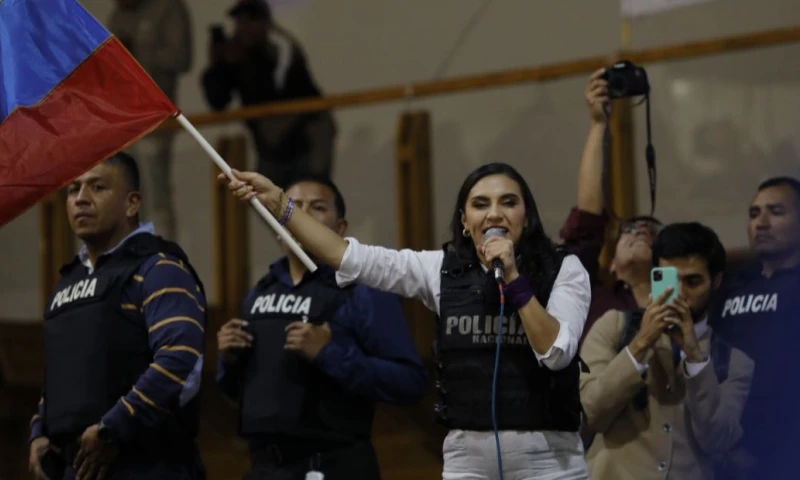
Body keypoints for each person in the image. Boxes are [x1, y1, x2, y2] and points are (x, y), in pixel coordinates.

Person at [220, 162, 592, 479]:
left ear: (526, 217)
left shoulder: (563, 269)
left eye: (508, 202)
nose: (494, 213)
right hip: (468, 459)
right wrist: (279, 203)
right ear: (465, 221)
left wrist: (513, 280)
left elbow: (556, 353)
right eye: (480, 204)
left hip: (549, 459)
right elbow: (349, 257)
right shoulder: (439, 270)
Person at [215, 174, 428, 480]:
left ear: (340, 228)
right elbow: (241, 390)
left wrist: (330, 354)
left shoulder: (363, 290)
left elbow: (411, 383)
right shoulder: (260, 291)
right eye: (291, 206)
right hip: (263, 466)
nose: (300, 215)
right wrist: (228, 358)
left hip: (332, 465)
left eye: (316, 207)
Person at [28, 153, 206, 479]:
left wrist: (113, 427)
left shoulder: (159, 268)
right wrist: (40, 430)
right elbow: (61, 372)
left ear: (132, 203)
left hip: (148, 465)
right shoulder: (67, 282)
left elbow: (180, 360)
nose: (81, 199)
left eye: (98, 187)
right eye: (73, 189)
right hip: (75, 468)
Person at [580, 222, 754, 480]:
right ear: (654, 276)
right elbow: (590, 413)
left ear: (715, 281)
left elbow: (718, 440)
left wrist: (696, 358)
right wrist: (641, 343)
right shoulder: (614, 325)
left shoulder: (735, 361)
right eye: (668, 279)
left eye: (693, 281)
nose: (679, 293)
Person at [560, 69, 662, 345]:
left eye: (650, 230)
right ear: (612, 263)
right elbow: (588, 220)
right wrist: (597, 124)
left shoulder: (682, 296)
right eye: (628, 229)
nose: (639, 230)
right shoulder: (593, 296)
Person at [710, 176, 800, 479]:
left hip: (787, 452)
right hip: (727, 450)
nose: (761, 223)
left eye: (776, 212)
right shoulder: (729, 287)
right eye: (753, 214)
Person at [202, 0, 337, 188]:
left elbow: (280, 91)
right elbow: (218, 101)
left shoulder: (281, 45)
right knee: (270, 207)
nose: (245, 27)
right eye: (240, 21)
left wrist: (244, 62)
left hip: (307, 133)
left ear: (265, 22)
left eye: (251, 20)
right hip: (271, 145)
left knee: (309, 198)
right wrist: (218, 65)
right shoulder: (239, 51)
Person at [109, 0, 193, 240]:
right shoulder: (118, 15)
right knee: (126, 202)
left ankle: (163, 266)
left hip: (154, 121)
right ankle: (134, 266)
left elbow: (181, 58)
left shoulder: (168, 8)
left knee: (156, 200)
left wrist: (138, 51)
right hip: (124, 123)